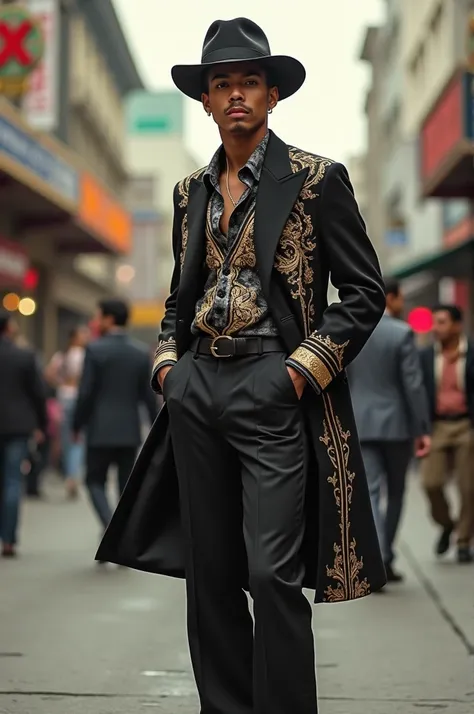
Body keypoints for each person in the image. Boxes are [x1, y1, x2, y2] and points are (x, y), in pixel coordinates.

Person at [97, 18, 387, 714]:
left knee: (272, 573)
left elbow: (364, 292)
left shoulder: (318, 180)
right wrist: (169, 367)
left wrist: (296, 373)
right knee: (213, 574)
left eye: (248, 82)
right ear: (204, 100)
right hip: (199, 389)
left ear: (272, 94)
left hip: (273, 387)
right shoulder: (188, 192)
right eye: (221, 84)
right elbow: (179, 294)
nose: (234, 95)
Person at [347, 278, 431, 582]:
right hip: (397, 426)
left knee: (369, 493)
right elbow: (413, 385)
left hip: (361, 423)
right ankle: (385, 555)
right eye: (400, 298)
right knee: (395, 492)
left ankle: (375, 556)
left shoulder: (353, 333)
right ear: (391, 298)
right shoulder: (401, 332)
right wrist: (422, 428)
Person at [73, 299, 157, 533]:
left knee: (94, 481)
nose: (95, 322)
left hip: (99, 429)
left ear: (109, 319)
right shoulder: (140, 353)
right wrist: (155, 427)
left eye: (98, 316)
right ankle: (119, 532)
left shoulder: (95, 349)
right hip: (129, 431)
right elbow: (148, 397)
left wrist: (76, 424)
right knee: (125, 486)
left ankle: (108, 523)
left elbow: (86, 392)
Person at [419, 305, 474, 564]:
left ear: (456, 325)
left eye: (441, 322)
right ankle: (447, 524)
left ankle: (464, 541)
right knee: (431, 483)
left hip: (467, 426)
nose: (435, 328)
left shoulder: (471, 353)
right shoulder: (426, 356)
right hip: (437, 427)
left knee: (469, 488)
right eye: (435, 322)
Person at [0, 311, 47, 557]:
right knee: (12, 481)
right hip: (17, 427)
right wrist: (42, 424)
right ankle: (8, 540)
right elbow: (38, 394)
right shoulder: (24, 356)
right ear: (8, 327)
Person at [45, 325, 90, 499]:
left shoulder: (61, 356)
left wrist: (61, 382)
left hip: (63, 398)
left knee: (65, 439)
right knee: (78, 439)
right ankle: (72, 475)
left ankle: (68, 473)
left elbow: (48, 374)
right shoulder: (85, 355)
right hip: (78, 398)